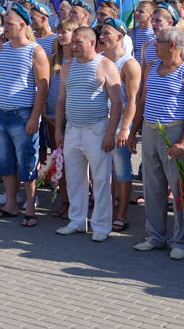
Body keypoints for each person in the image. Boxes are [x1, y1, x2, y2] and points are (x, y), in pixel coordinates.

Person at [129, 26, 184, 260]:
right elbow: (142, 101)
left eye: (158, 41)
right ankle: (155, 237)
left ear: (172, 45)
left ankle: (180, 241)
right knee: (152, 188)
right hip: (150, 131)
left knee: (179, 188)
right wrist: (133, 133)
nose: (153, 45)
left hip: (174, 133)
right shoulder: (151, 67)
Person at [53, 26, 122, 242]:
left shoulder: (106, 65)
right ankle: (76, 221)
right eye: (72, 42)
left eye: (78, 42)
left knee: (100, 181)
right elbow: (61, 100)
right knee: (74, 179)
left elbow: (117, 102)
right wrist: (58, 129)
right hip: (72, 130)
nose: (73, 46)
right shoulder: (67, 66)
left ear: (92, 43)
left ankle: (101, 225)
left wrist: (110, 134)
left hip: (97, 130)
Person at [0, 4, 49, 226]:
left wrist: (34, 117)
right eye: (5, 23)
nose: (5, 27)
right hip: (1, 115)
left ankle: (30, 208)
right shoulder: (2, 49)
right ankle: (11, 205)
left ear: (22, 26)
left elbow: (43, 87)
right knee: (5, 162)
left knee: (27, 164)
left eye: (9, 24)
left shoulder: (35, 51)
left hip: (23, 116)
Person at [99, 18, 141, 232]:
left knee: (122, 171)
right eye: (101, 32)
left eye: (106, 33)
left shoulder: (129, 64)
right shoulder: (98, 58)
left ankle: (122, 214)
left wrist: (125, 128)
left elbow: (133, 100)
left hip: (118, 127)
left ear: (120, 37)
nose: (101, 36)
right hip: (98, 123)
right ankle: (105, 210)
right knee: (101, 172)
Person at [46, 19, 79, 219]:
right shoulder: (52, 59)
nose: (60, 35)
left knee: (75, 163)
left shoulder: (80, 60)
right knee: (60, 160)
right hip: (52, 118)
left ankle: (78, 203)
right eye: (59, 31)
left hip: (73, 118)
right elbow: (44, 87)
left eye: (65, 31)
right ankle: (65, 201)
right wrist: (44, 112)